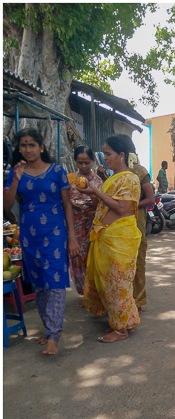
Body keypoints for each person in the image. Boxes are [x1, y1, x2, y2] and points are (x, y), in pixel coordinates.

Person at [4, 128, 80, 356]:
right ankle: (49, 330)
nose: (27, 150)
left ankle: (54, 336)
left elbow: (67, 205)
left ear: (41, 147)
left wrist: (72, 237)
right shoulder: (16, 173)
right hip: (29, 236)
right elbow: (6, 206)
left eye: (31, 145)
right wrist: (16, 180)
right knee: (39, 285)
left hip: (55, 234)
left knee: (54, 283)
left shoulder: (57, 171)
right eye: (23, 146)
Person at [78, 135, 142, 343]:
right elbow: (105, 204)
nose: (105, 158)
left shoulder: (129, 178)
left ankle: (120, 329)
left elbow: (122, 208)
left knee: (117, 284)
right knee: (110, 283)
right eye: (104, 154)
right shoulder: (114, 178)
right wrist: (92, 193)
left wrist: (96, 189)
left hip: (118, 239)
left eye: (108, 154)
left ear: (121, 155)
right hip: (107, 236)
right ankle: (126, 320)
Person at [117, 134, 155, 312]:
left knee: (137, 261)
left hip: (136, 223)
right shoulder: (115, 172)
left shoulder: (140, 172)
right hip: (117, 225)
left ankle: (137, 300)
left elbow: (150, 199)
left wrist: (131, 206)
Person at [67, 145, 103, 296]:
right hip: (75, 224)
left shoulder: (97, 181)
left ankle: (92, 293)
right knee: (77, 259)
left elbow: (100, 204)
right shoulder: (70, 179)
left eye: (87, 162)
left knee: (92, 258)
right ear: (75, 161)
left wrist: (91, 192)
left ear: (93, 162)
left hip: (92, 224)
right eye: (80, 162)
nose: (83, 166)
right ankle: (84, 292)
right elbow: (65, 203)